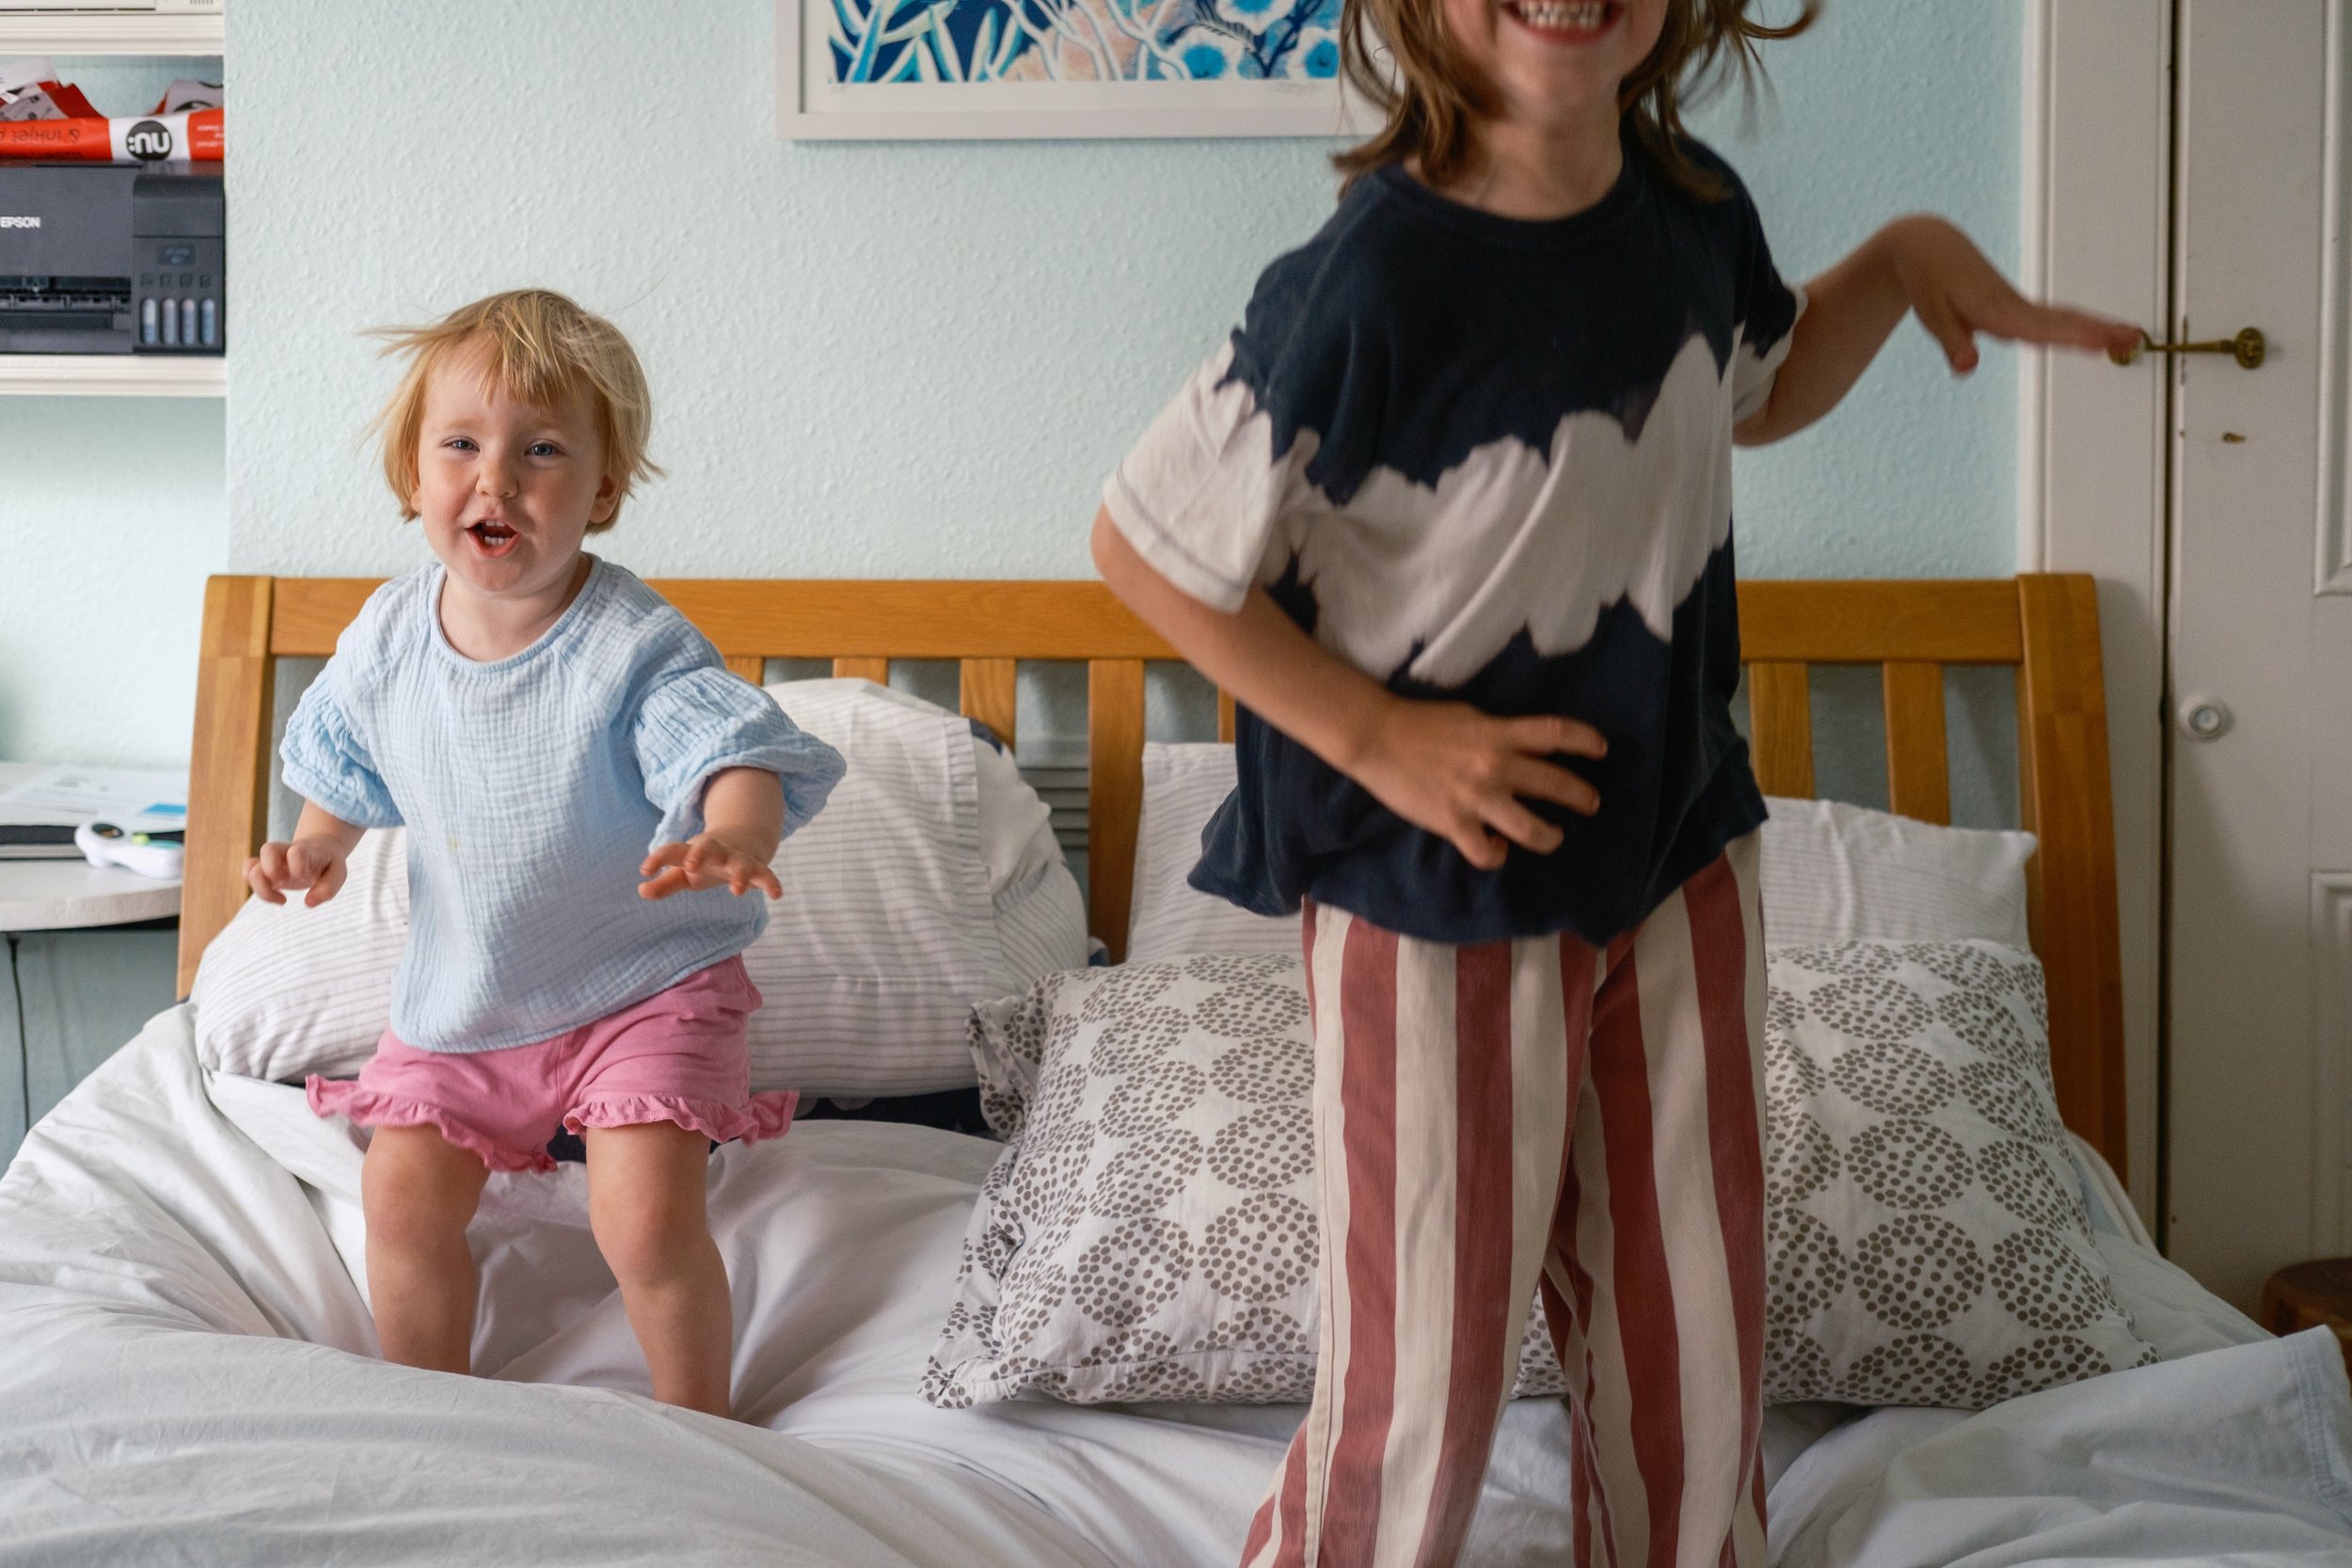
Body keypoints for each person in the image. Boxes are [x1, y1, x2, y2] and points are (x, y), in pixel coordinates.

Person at [1090, 2, 2142, 1562]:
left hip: (1677, 861)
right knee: (1428, 1370)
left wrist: (1905, 258)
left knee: (1689, 1338)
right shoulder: (1373, 275)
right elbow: (1143, 546)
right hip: (1433, 898)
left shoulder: (1691, 213)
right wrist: (1379, 738)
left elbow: (1760, 388)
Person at [246, 288, 846, 1419]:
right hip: (469, 997)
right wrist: (315, 849)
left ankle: (697, 1418)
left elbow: (729, 743)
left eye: (542, 450)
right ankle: (435, 1408)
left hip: (642, 987)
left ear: (604, 491)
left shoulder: (631, 643)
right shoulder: (385, 635)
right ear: (412, 477)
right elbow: (340, 767)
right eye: (461, 444)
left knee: (643, 1216)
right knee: (403, 1195)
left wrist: (735, 827)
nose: (496, 478)